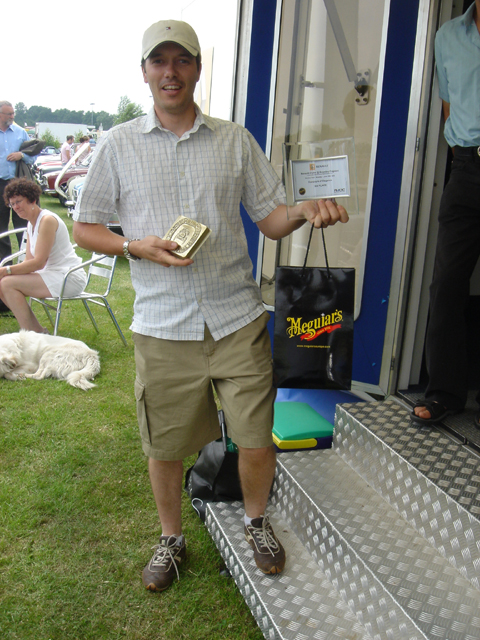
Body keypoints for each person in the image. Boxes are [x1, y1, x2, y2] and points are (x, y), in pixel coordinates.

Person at [73, 19, 349, 593]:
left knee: (256, 434)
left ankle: (256, 523)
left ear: (197, 68)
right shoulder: (118, 144)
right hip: (162, 324)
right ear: (144, 71)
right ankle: (171, 539)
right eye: (159, 61)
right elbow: (85, 228)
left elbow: (271, 219)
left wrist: (303, 210)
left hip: (235, 318)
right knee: (166, 445)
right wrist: (133, 246)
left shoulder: (234, 140)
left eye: (182, 60)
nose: (170, 72)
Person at [412, 0, 480, 427]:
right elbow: (448, 105)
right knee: (446, 284)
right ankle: (445, 392)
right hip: (467, 169)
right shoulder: (448, 36)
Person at [0, 178, 87, 333]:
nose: (16, 207)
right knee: (3, 283)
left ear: (32, 199)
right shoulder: (30, 223)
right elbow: (29, 261)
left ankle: (32, 333)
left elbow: (39, 263)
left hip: (69, 276)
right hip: (50, 274)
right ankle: (35, 332)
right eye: (12, 204)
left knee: (7, 283)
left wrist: (6, 270)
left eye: (19, 201)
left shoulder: (47, 220)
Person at [0, 101, 38, 263]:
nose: (12, 116)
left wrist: (21, 155)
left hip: (18, 185)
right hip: (0, 184)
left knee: (23, 224)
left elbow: (34, 155)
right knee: (1, 226)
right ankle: (5, 264)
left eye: (13, 113)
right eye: (8, 114)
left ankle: (25, 261)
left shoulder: (20, 132)